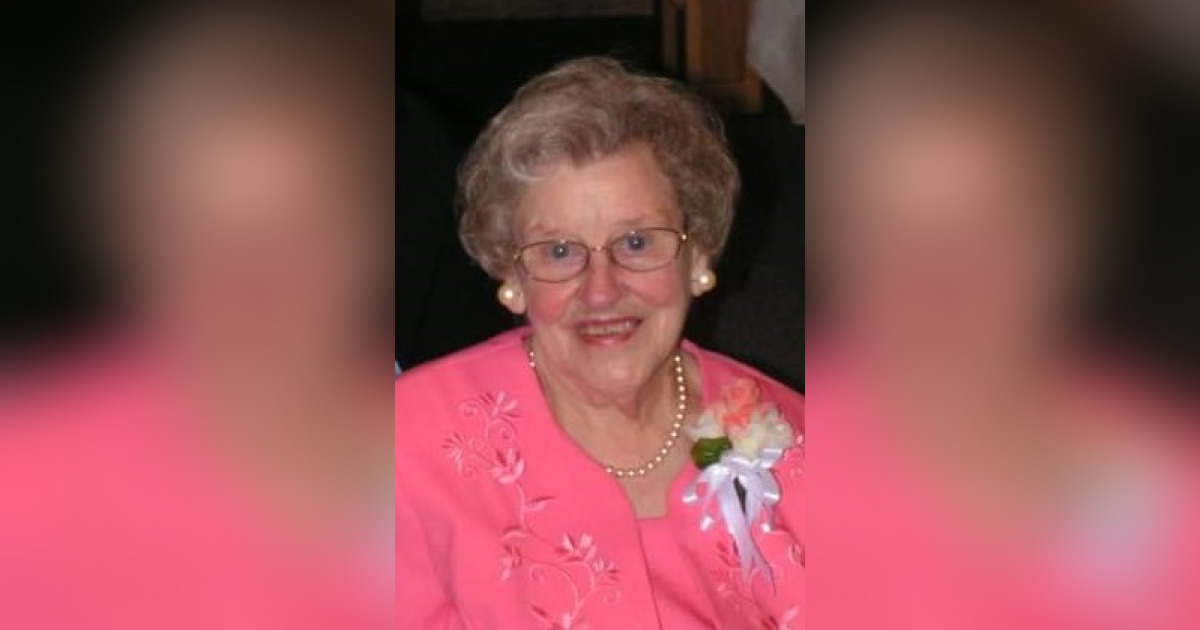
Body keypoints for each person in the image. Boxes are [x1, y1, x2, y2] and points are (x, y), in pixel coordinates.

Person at [805, 4, 1200, 629]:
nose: (943, 287)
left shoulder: (1159, 478)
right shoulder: (788, 452)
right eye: (891, 232)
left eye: (993, 233)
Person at [0, 3, 394, 628]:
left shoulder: (454, 433)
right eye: (209, 236)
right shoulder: (28, 477)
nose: (261, 287)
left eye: (303, 229)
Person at [395, 58, 803, 628]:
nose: (602, 290)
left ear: (697, 257)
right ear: (512, 276)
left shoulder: (799, 442)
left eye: (636, 242)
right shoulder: (402, 448)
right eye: (559, 251)